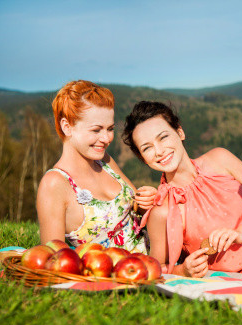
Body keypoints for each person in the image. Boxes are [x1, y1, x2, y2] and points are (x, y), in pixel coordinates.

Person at [122, 101, 242, 278]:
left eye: (163, 137)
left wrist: (240, 234)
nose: (159, 151)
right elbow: (155, 267)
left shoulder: (220, 158)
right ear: (143, 159)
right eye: (147, 148)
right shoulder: (162, 211)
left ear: (180, 132)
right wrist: (183, 270)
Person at [37, 80, 154, 253]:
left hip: (155, 258)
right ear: (67, 127)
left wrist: (145, 201)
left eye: (110, 128)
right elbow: (53, 258)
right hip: (113, 275)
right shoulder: (54, 184)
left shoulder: (104, 161)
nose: (107, 138)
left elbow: (136, 209)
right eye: (96, 130)